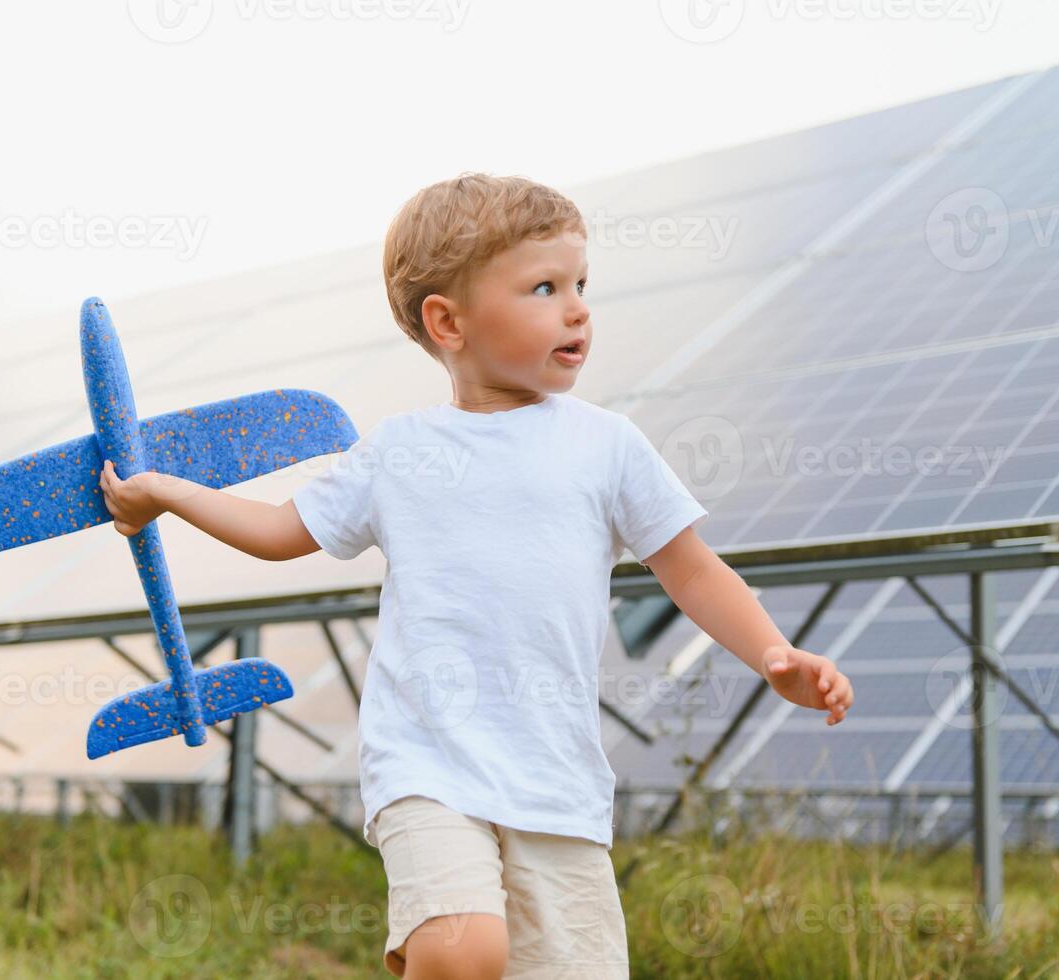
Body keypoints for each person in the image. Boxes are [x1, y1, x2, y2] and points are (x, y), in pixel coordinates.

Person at [98, 172, 854, 980]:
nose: (577, 309)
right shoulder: (397, 451)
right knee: (462, 952)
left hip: (554, 780)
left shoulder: (607, 445)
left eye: (579, 284)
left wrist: (772, 652)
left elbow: (692, 570)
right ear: (447, 321)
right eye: (542, 287)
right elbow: (282, 531)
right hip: (426, 763)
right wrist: (166, 494)